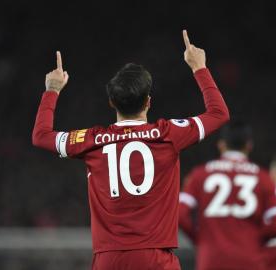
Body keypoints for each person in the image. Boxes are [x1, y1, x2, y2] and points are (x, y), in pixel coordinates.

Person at [32, 30, 230, 269]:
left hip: (109, 259)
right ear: (148, 102)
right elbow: (219, 113)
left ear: (111, 103)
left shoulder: (92, 140)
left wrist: (52, 89)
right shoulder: (169, 134)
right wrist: (199, 67)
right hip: (157, 258)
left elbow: (41, 136)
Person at [178, 121, 276, 270]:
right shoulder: (264, 178)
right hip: (249, 260)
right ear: (249, 145)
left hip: (211, 260)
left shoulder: (199, 174)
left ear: (221, 145)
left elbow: (180, 214)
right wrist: (254, 238)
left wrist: (200, 239)